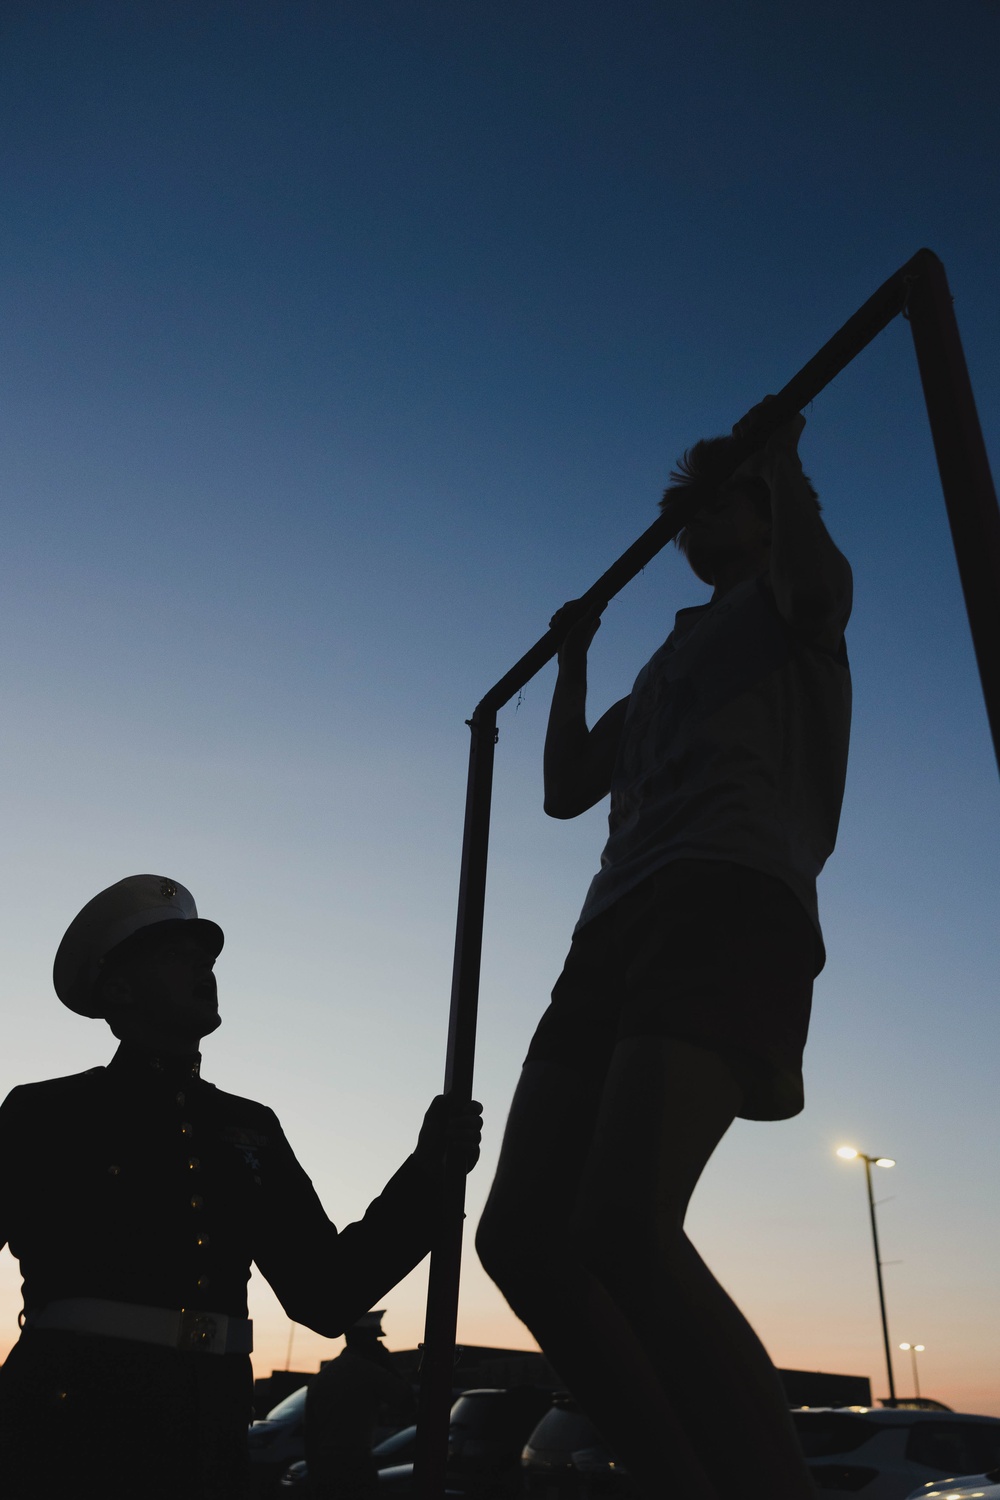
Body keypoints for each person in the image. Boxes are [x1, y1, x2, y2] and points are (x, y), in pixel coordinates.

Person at [476, 407, 852, 1500]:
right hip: (610, 926)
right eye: (679, 512)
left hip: (727, 899)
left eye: (712, 500)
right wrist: (573, 659)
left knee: (625, 1225)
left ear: (763, 511)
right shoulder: (671, 656)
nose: (690, 524)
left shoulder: (791, 603)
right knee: (522, 1241)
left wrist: (780, 462)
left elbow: (819, 585)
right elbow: (560, 791)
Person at [0, 874, 482, 1500]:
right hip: (73, 1429)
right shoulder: (46, 1113)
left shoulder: (247, 1127)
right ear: (118, 990)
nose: (204, 969)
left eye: (206, 959)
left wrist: (427, 1176)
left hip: (209, 1435)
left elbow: (327, 1294)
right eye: (178, 956)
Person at [303, 1310, 415, 1500]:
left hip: (323, 1468)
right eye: (375, 1339)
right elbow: (408, 1403)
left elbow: (309, 1433)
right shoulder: (371, 1373)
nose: (379, 1343)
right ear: (365, 1339)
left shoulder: (323, 1376)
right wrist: (388, 1363)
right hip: (355, 1467)